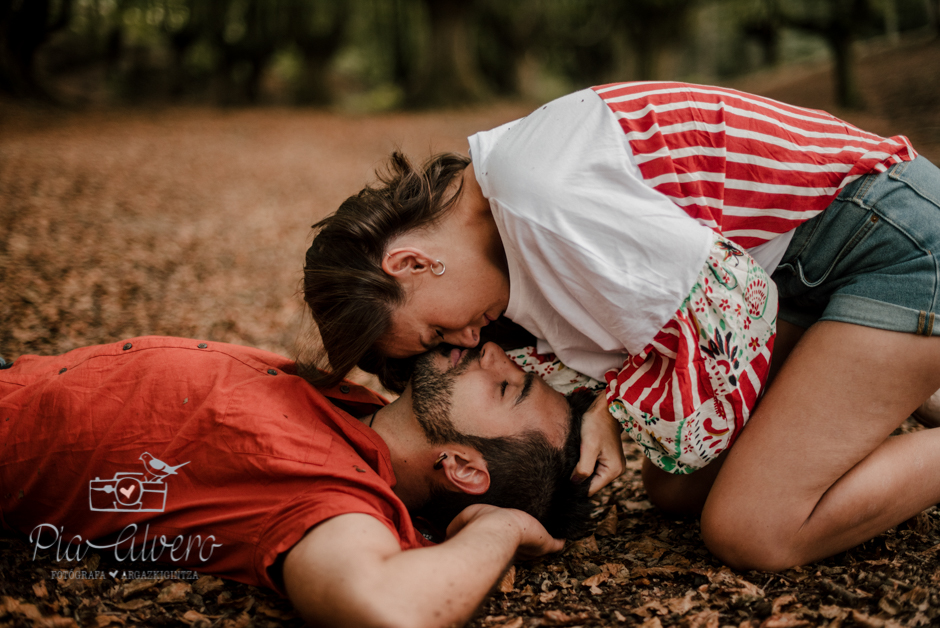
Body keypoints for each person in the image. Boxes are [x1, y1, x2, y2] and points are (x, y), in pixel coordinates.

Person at [303, 80, 940, 571]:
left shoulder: (543, 202)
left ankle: (910, 362)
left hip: (893, 243)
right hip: (803, 269)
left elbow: (732, 308)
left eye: (435, 333)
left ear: (412, 264)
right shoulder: (500, 210)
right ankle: (898, 376)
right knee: (676, 490)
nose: (467, 342)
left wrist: (615, 408)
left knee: (754, 529)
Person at [0, 336, 593, 628]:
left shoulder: (335, 493)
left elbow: (387, 605)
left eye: (505, 388)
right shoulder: (357, 412)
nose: (493, 352)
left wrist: (503, 527)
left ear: (463, 468)